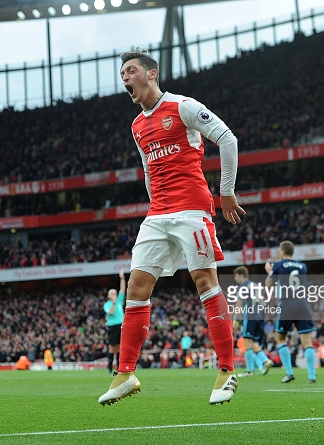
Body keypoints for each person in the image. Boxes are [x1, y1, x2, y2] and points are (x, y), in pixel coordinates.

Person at [98, 48, 245, 406]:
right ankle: (125, 374)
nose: (125, 79)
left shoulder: (184, 106)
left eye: (130, 71)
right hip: (157, 213)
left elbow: (228, 139)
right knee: (136, 286)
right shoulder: (136, 126)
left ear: (151, 74)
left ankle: (227, 370)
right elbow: (149, 170)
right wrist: (153, 205)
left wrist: (225, 193)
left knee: (205, 281)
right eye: (121, 75)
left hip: (192, 208)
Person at [265, 240, 317, 383]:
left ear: (282, 251)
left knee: (280, 338)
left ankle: (289, 372)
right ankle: (312, 375)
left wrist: (270, 272)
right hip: (302, 303)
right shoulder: (302, 266)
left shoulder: (279, 265)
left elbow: (269, 285)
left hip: (287, 303)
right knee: (307, 341)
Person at [232, 265, 273, 377]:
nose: (235, 278)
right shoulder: (254, 285)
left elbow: (239, 303)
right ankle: (264, 361)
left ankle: (250, 370)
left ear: (241, 275)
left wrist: (235, 319)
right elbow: (262, 302)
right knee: (252, 342)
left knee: (247, 342)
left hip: (249, 316)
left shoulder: (243, 286)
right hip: (258, 316)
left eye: (236, 276)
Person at [103, 269, 126, 374]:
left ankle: (118, 367)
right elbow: (111, 312)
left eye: (115, 293)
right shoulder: (107, 304)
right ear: (109, 296)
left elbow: (122, 289)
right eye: (112, 294)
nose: (114, 295)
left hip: (121, 325)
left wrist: (122, 277)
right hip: (112, 326)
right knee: (112, 347)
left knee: (120, 347)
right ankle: (109, 367)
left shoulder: (119, 301)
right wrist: (113, 302)